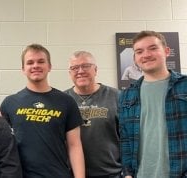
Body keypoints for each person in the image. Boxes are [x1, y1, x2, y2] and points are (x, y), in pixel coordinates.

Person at [0, 43, 85, 178]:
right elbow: (1, 146)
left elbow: (74, 145)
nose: (35, 66)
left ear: (49, 66)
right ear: (23, 69)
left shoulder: (66, 102)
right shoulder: (9, 103)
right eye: (30, 62)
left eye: (41, 61)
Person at [119, 30, 187, 178]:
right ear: (135, 58)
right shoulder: (126, 95)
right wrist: (128, 173)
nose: (146, 55)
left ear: (166, 51)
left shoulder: (185, 85)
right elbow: (125, 139)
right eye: (139, 51)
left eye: (153, 48)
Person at [64, 51, 122, 178]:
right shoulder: (62, 100)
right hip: (72, 174)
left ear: (95, 69)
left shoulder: (117, 97)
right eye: (74, 68)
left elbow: (128, 138)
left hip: (111, 174)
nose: (80, 71)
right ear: (70, 73)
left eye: (85, 66)